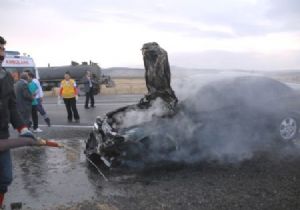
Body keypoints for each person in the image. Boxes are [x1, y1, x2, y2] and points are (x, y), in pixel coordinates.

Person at [0, 35, 36, 209]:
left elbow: (12, 107)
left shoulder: (6, 77)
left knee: (5, 178)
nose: (2, 53)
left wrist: (22, 128)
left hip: (3, 137)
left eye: (3, 49)